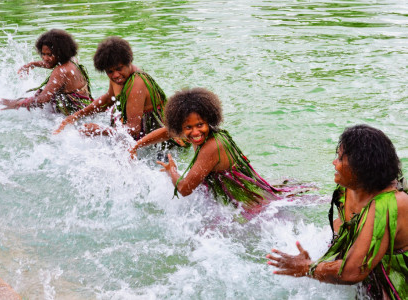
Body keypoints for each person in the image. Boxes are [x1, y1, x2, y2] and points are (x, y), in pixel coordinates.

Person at [267, 124, 408, 299]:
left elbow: (352, 272)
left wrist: (306, 267)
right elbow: (343, 227)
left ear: (360, 168)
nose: (334, 163)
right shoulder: (350, 189)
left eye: (340, 159)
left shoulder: (388, 204)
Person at [133, 87, 294, 218]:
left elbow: (184, 189)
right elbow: (167, 131)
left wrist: (171, 171)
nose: (195, 132)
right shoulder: (201, 135)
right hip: (239, 197)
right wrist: (136, 146)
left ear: (210, 120)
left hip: (251, 207)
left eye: (200, 125)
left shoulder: (211, 147)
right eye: (188, 127)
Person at [53, 36, 167, 141]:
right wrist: (76, 116)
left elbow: (133, 129)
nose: (115, 75)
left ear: (129, 62)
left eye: (119, 68)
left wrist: (100, 130)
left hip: (155, 136)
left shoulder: (137, 83)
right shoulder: (119, 77)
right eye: (110, 72)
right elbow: (108, 99)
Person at [0, 29, 93, 115]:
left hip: (75, 116)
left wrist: (17, 103)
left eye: (49, 54)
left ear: (60, 53)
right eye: (43, 54)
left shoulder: (60, 72)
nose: (45, 58)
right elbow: (51, 64)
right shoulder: (72, 61)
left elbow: (43, 99)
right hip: (86, 110)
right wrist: (33, 64)